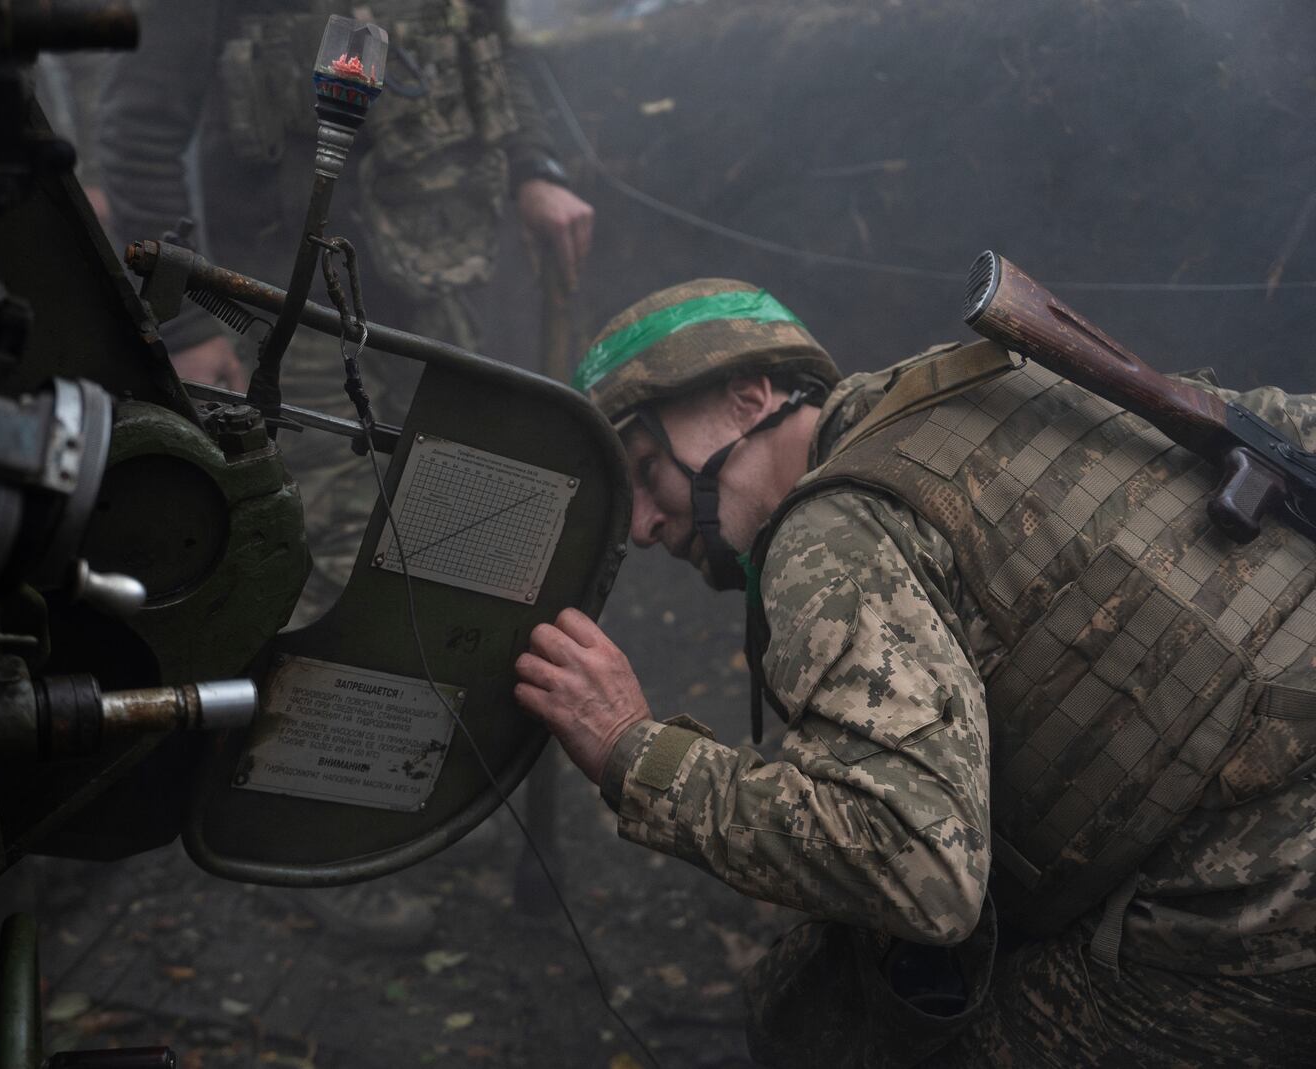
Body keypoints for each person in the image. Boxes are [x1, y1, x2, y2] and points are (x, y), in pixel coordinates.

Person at [514, 277, 1316, 1067]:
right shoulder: (986, 385)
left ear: (749, 396)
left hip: (1257, 906)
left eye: (647, 466)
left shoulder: (830, 533)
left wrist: (632, 749)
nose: (646, 523)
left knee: (839, 1028)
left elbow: (918, 866)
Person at [97, 0, 593, 944]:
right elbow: (138, 134)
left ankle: (428, 791)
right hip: (283, 317)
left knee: (456, 552)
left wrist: (538, 171)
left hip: (431, 303)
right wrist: (194, 320)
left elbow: (492, 55)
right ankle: (311, 842)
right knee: (324, 573)